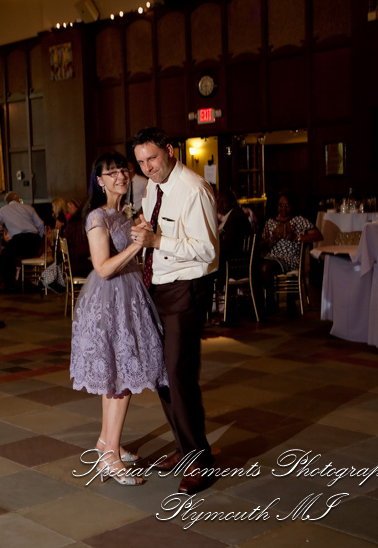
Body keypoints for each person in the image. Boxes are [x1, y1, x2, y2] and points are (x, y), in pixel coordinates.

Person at [130, 127, 219, 495]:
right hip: (158, 287)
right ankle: (185, 450)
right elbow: (155, 227)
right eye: (141, 162)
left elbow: (207, 250)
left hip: (186, 290)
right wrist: (143, 228)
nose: (148, 168)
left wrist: (157, 240)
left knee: (179, 377)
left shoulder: (194, 189)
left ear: (169, 150)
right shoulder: (154, 187)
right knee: (163, 376)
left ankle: (202, 462)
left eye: (152, 158)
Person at [69, 152, 165, 486]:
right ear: (99, 181)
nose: (120, 176)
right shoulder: (98, 217)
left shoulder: (121, 214)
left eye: (123, 170)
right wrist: (137, 246)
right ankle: (109, 456)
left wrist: (139, 232)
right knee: (121, 377)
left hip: (128, 298)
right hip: (109, 300)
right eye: (111, 173)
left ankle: (106, 443)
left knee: (117, 377)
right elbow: (103, 268)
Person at [258, 191, 322, 314]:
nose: (283, 209)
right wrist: (273, 238)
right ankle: (261, 303)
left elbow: (318, 236)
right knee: (258, 265)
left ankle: (271, 303)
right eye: (281, 205)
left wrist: (296, 237)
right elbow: (262, 244)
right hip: (271, 256)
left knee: (266, 267)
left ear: (292, 206)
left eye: (287, 206)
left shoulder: (299, 220)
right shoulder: (270, 222)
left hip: (290, 258)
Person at [0, 191, 45, 291]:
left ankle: (9, 286)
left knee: (4, 257)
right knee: (19, 256)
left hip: (18, 241)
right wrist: (39, 240)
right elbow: (41, 224)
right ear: (17, 199)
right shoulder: (28, 208)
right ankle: (25, 280)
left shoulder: (2, 211)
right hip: (33, 241)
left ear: (7, 202)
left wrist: (3, 243)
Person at [217, 189, 254, 266]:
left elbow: (229, 245)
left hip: (236, 261)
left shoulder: (236, 217)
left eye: (223, 202)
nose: (220, 205)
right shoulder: (230, 215)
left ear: (232, 203)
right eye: (218, 202)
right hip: (232, 256)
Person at [63, 199, 92, 278]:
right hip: (78, 264)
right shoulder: (80, 224)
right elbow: (81, 250)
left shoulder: (72, 222)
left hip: (72, 264)